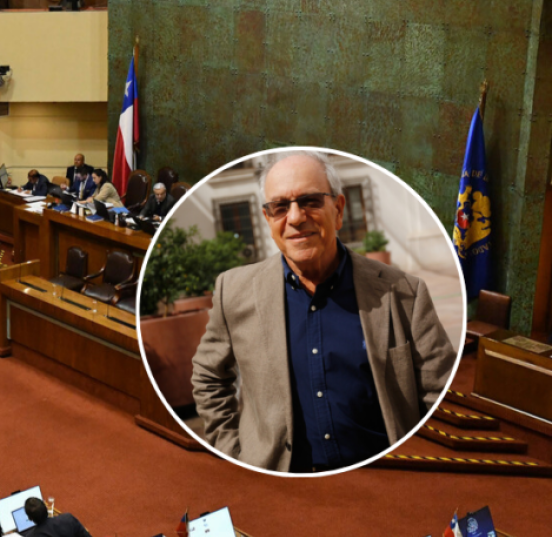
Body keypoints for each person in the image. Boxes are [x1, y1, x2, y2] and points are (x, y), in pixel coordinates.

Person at [192, 150, 456, 473]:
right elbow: (208, 377)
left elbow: (441, 396)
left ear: (339, 210)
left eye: (310, 201)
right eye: (280, 207)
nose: (295, 218)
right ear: (267, 219)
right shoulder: (233, 291)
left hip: (384, 478)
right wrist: (235, 453)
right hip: (279, 483)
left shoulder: (403, 294)